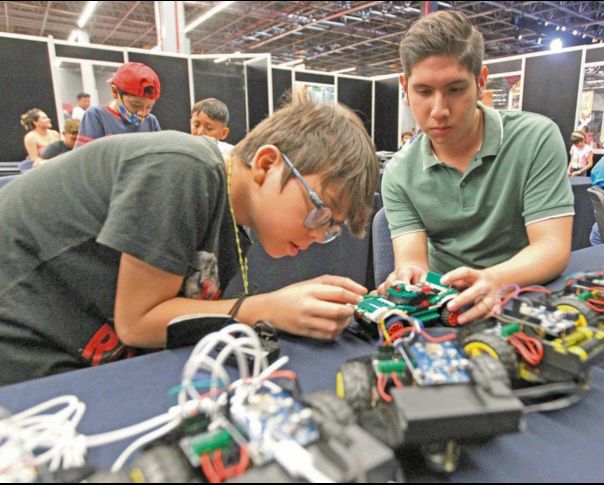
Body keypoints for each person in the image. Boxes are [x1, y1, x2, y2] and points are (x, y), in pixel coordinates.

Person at [0, 91, 379, 385]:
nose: (317, 235)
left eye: (330, 228)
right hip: (23, 331)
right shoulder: (184, 169)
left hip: (77, 341)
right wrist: (272, 307)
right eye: (320, 211)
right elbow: (137, 322)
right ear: (266, 165)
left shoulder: (235, 226)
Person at [380, 11, 574, 325]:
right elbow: (413, 262)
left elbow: (552, 246)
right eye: (424, 92)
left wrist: (494, 279)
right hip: (450, 309)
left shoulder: (536, 137)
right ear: (405, 86)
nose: (439, 110)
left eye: (455, 89)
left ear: (481, 81)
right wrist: (409, 278)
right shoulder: (399, 172)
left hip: (522, 296)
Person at [75, 62, 162, 148]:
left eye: (149, 107)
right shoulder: (97, 116)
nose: (142, 114)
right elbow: (85, 159)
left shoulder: (151, 122)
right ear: (115, 92)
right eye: (135, 105)